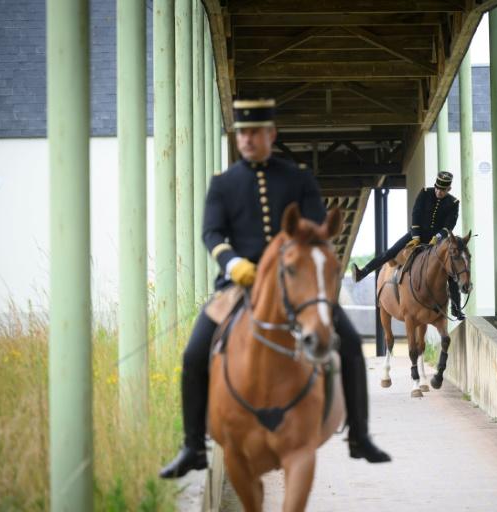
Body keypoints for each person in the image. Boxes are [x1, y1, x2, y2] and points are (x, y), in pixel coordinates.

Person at [159, 99, 390, 479]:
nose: (247, 139)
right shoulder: (223, 184)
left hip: (296, 286)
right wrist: (233, 263)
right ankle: (193, 446)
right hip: (239, 286)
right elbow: (212, 232)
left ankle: (359, 436)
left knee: (348, 342)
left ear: (271, 134)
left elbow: (316, 228)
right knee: (194, 352)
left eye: (255, 132)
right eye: (242, 133)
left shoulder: (298, 179)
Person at [351, 172, 466, 320]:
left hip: (436, 241)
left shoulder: (453, 203)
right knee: (390, 252)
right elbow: (416, 213)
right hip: (416, 235)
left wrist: (437, 238)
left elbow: (449, 225)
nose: (438, 192)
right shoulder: (425, 193)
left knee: (449, 269)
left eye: (442, 190)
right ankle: (363, 272)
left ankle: (456, 308)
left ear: (448, 189)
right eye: (437, 188)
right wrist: (416, 236)